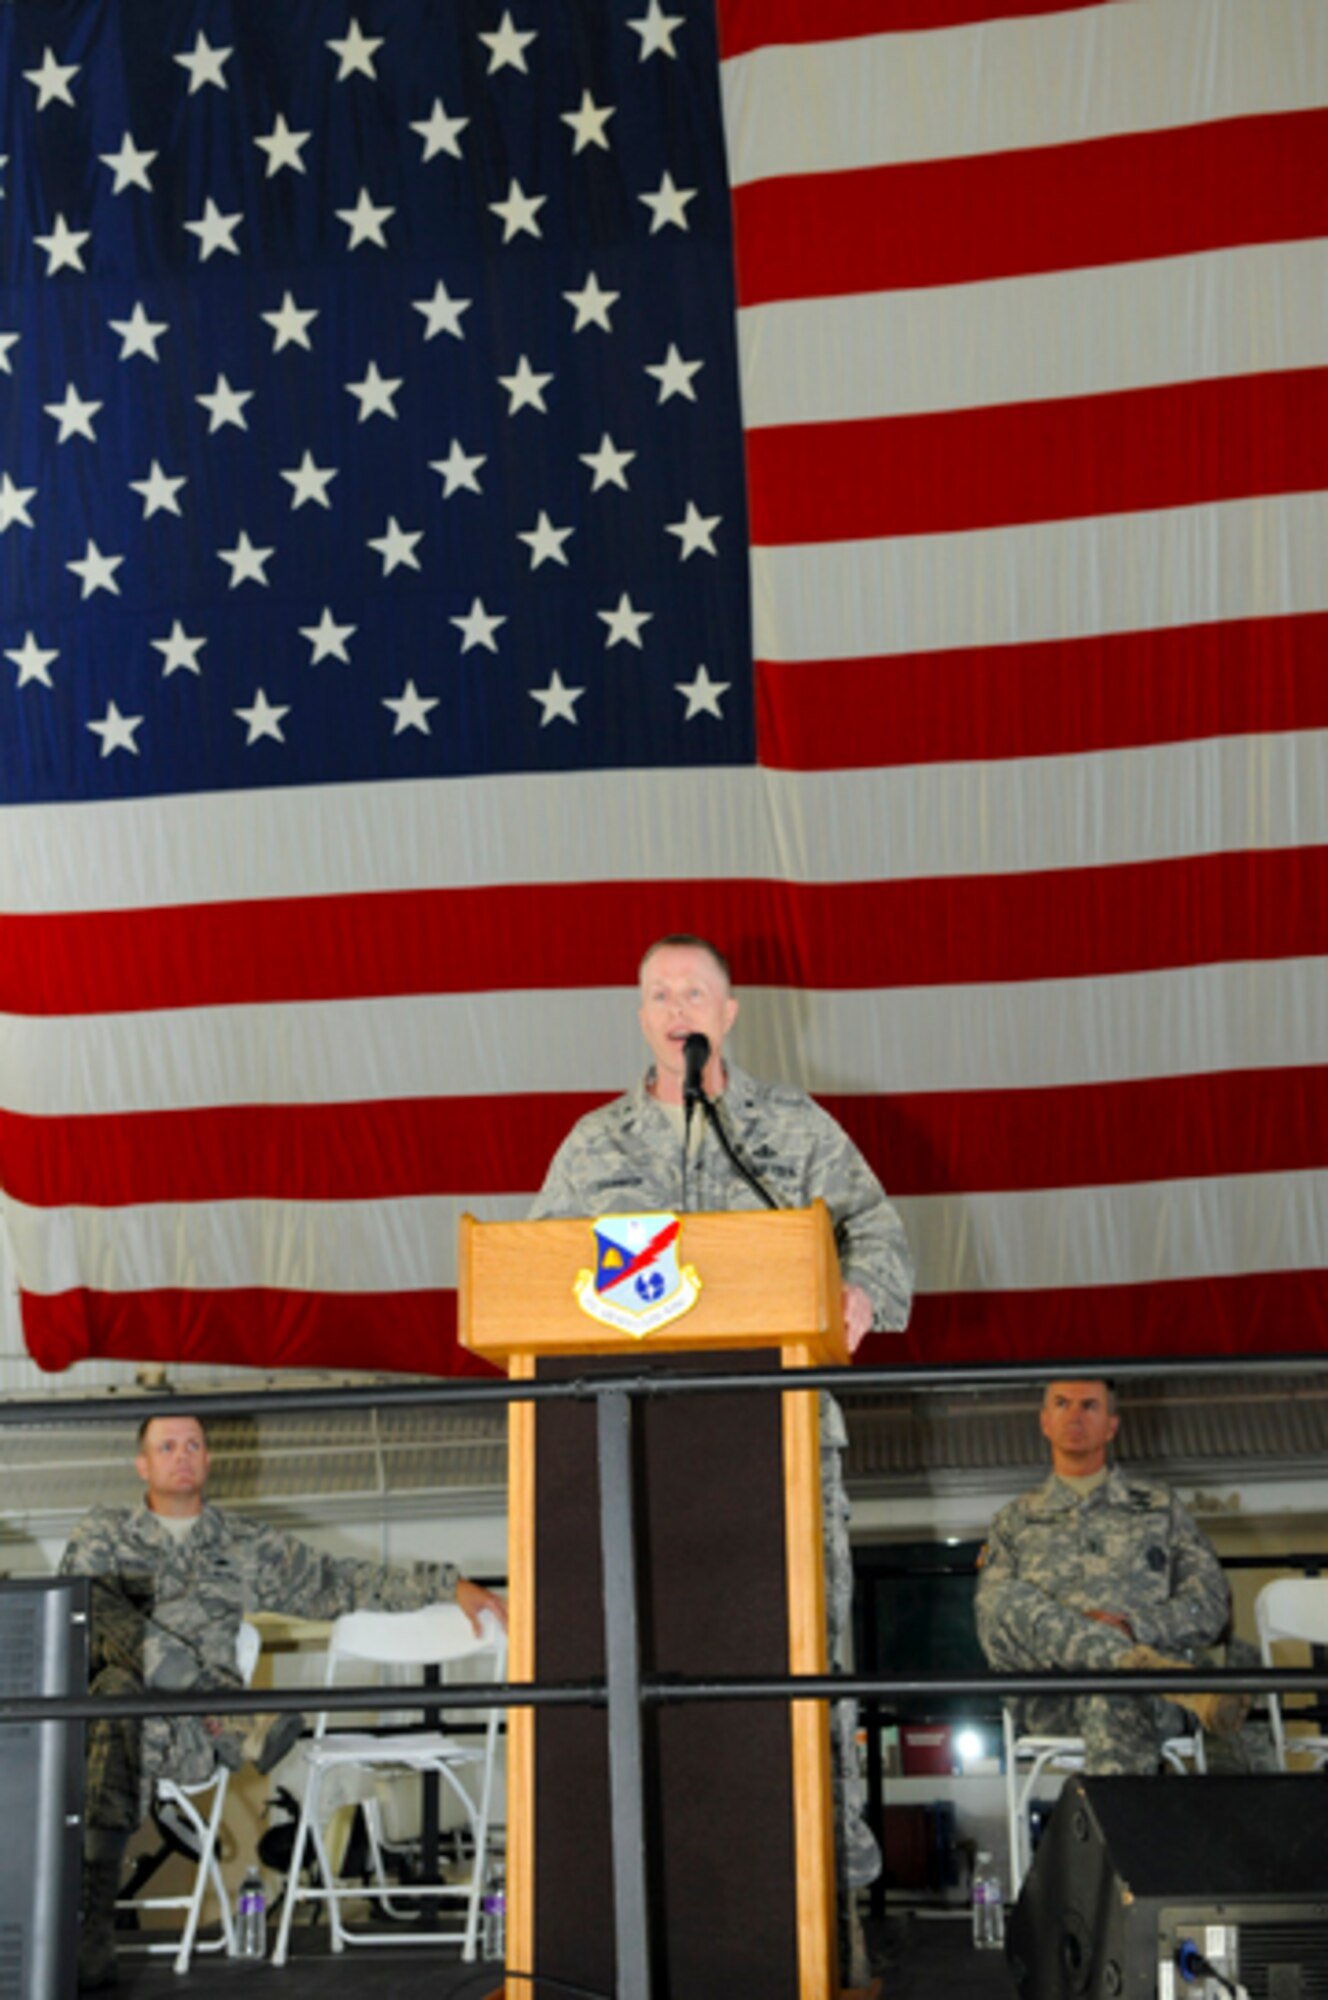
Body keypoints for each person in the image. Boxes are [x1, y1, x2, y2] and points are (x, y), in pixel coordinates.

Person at [529, 933, 914, 1996]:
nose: (672, 1004)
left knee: (803, 1682)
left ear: (728, 1011)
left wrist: (862, 1296)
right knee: (641, 1677)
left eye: (690, 988)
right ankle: (649, 1933)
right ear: (637, 1011)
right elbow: (535, 1274)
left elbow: (877, 1228)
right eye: (655, 991)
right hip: (633, 1458)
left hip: (777, 1443)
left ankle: (827, 1936)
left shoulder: (788, 1126)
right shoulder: (590, 1141)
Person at [61, 1412, 507, 1990]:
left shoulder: (245, 1544)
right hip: (124, 1726)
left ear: (209, 1459)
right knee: (99, 1633)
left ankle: (87, 1932)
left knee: (112, 1697)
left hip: (191, 1738)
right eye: (167, 1446)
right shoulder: (104, 1532)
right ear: (142, 1464)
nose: (182, 1455)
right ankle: (230, 1706)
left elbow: (339, 1582)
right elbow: (70, 1621)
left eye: (194, 1444)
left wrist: (446, 1584)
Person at [975, 1378, 1248, 1773]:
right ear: (1045, 1421)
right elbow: (994, 1623)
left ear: (1111, 1426)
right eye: (1062, 1404)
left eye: (1089, 1406)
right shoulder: (1014, 1521)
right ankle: (1137, 1665)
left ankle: (1133, 1670)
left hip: (1153, 1700)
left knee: (1114, 1691)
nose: (1074, 1415)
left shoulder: (1159, 1508)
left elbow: (1210, 1604)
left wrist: (1135, 1627)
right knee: (999, 1598)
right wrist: (1114, 1650)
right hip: (1055, 1698)